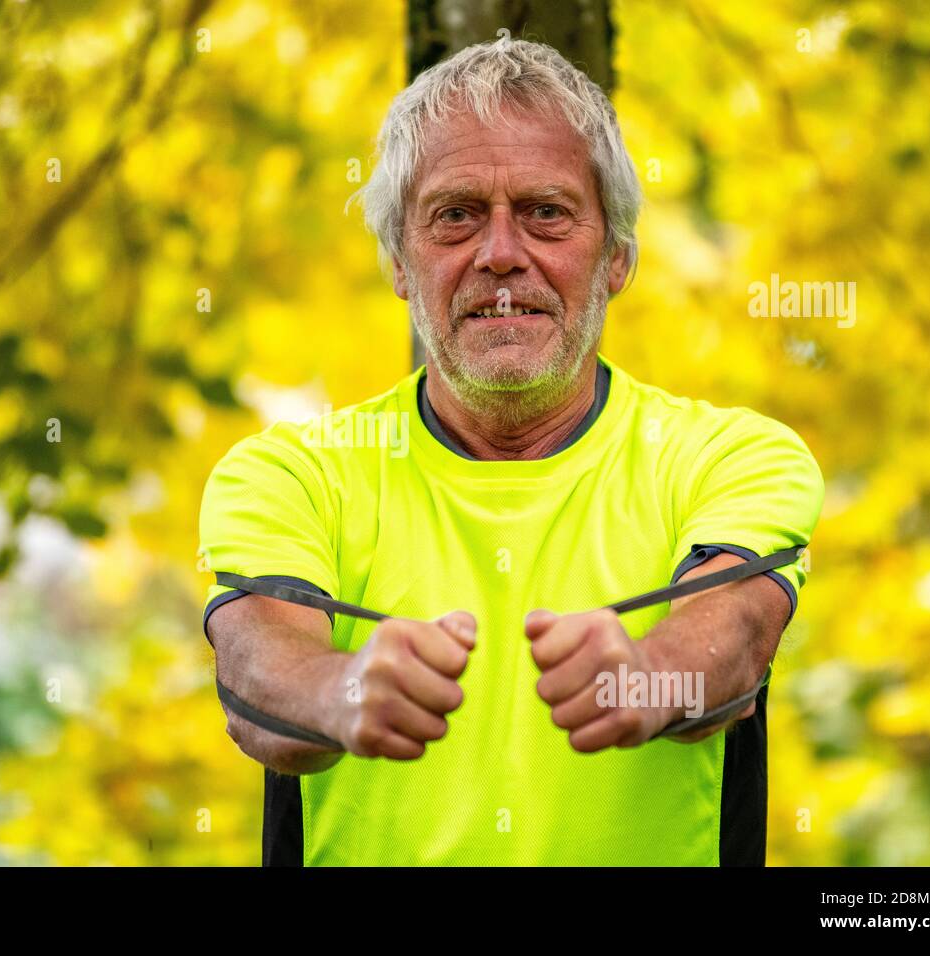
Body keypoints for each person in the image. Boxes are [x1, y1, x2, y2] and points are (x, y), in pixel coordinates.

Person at [198, 38, 824, 866]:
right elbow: (256, 676)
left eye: (546, 212)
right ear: (398, 263)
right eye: (455, 214)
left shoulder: (732, 456)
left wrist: (645, 675)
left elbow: (735, 638)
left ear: (617, 260)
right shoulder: (291, 474)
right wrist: (345, 693)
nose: (500, 253)